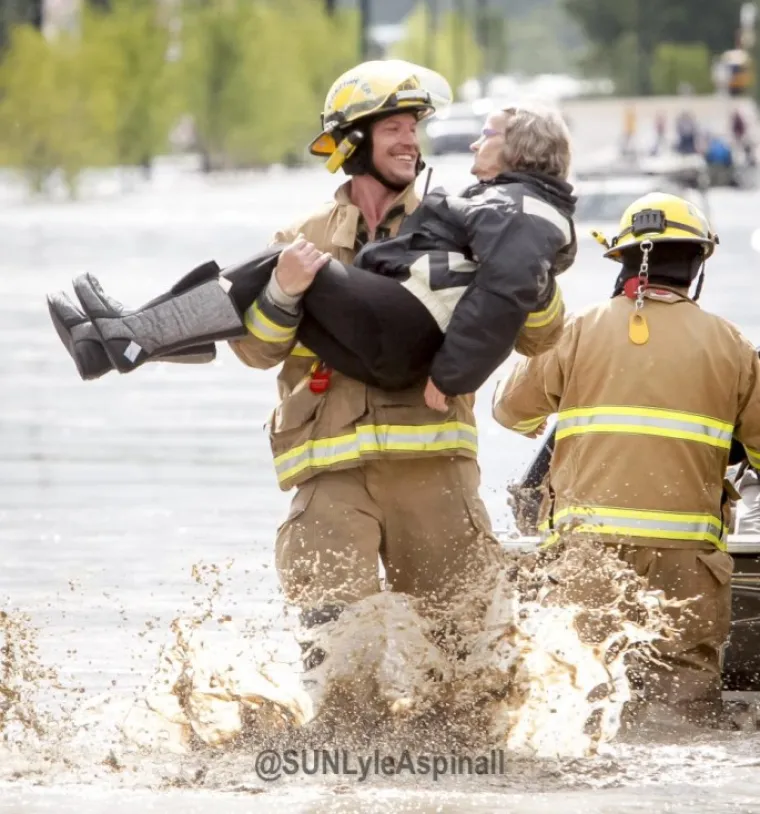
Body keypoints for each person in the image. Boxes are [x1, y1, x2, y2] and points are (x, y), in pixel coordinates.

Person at [48, 60, 577, 675]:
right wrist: (284, 293)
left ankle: (131, 337)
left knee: (467, 673)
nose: (412, 142)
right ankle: (136, 336)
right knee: (336, 676)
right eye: (395, 129)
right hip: (330, 477)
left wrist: (529, 272)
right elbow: (256, 349)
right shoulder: (303, 234)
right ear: (355, 141)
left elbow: (540, 339)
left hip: (435, 473)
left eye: (415, 129)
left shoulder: (464, 216)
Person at [491, 192, 760, 725]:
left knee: (583, 698)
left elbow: (509, 414)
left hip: (590, 558)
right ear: (698, 262)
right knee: (682, 715)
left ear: (622, 261)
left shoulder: (578, 331)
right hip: (686, 562)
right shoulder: (732, 347)